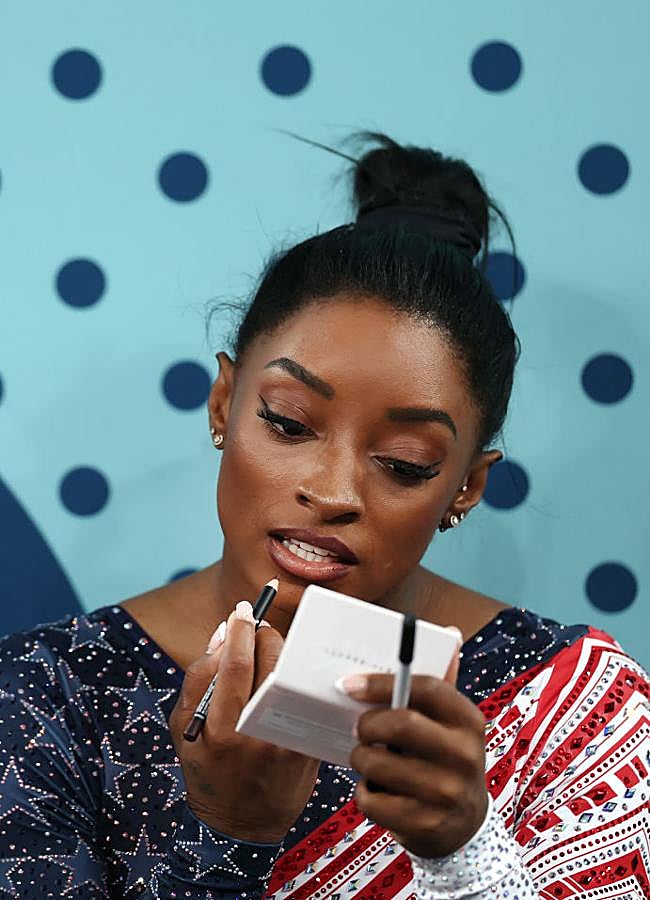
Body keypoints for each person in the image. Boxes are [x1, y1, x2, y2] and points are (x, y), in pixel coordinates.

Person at [0, 133, 648, 899]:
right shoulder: (43, 698)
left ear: (467, 488)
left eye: (405, 463)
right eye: (288, 422)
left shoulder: (575, 711)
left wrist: (466, 855)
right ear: (222, 405)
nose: (334, 491)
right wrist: (229, 836)